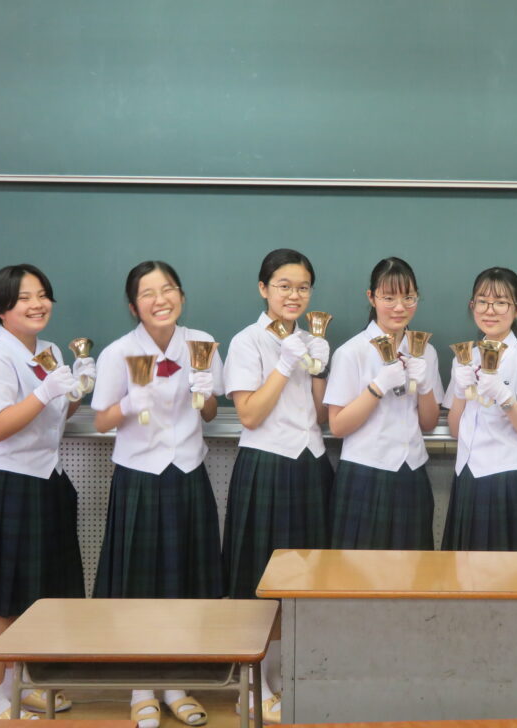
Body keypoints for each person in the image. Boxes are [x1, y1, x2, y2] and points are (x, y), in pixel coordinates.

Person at [0, 264, 90, 720]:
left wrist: (77, 390)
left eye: (43, 294)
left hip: (45, 480)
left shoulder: (47, 351)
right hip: (5, 485)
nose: (37, 304)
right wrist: (46, 392)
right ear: (1, 308)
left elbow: (54, 416)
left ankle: (15, 687)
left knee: (32, 596)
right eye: (24, 297)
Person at [91, 260, 224, 728]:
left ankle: (175, 684)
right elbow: (101, 420)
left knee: (183, 581)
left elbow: (210, 413)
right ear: (134, 306)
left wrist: (206, 393)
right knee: (141, 584)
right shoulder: (118, 353)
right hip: (141, 480)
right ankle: (141, 687)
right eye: (147, 293)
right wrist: (130, 404)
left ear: (181, 296)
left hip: (188, 473)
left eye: (168, 289)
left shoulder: (202, 343)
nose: (160, 299)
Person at [222, 248, 332, 723]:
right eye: (284, 285)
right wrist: (285, 365)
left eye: (303, 287)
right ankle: (251, 686)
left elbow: (321, 416)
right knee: (258, 577)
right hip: (266, 464)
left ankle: (285, 677)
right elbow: (249, 413)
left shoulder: (310, 338)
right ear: (263, 288)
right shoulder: (247, 341)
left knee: (303, 582)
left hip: (310, 464)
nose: (294, 295)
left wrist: (320, 371)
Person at [325, 257, 443, 548]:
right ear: (372, 297)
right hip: (364, 474)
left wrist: (425, 386)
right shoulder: (351, 352)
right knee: (360, 568)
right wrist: (377, 387)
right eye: (389, 298)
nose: (399, 307)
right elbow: (337, 426)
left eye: (408, 297)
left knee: (413, 567)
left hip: (412, 471)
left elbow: (429, 423)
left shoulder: (425, 351)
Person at [442, 266, 517, 550]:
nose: (490, 310)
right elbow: (455, 429)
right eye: (482, 301)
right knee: (463, 569)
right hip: (467, 475)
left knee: (507, 570)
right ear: (472, 305)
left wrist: (505, 397)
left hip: (508, 479)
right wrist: (461, 392)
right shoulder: (463, 358)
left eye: (501, 302)